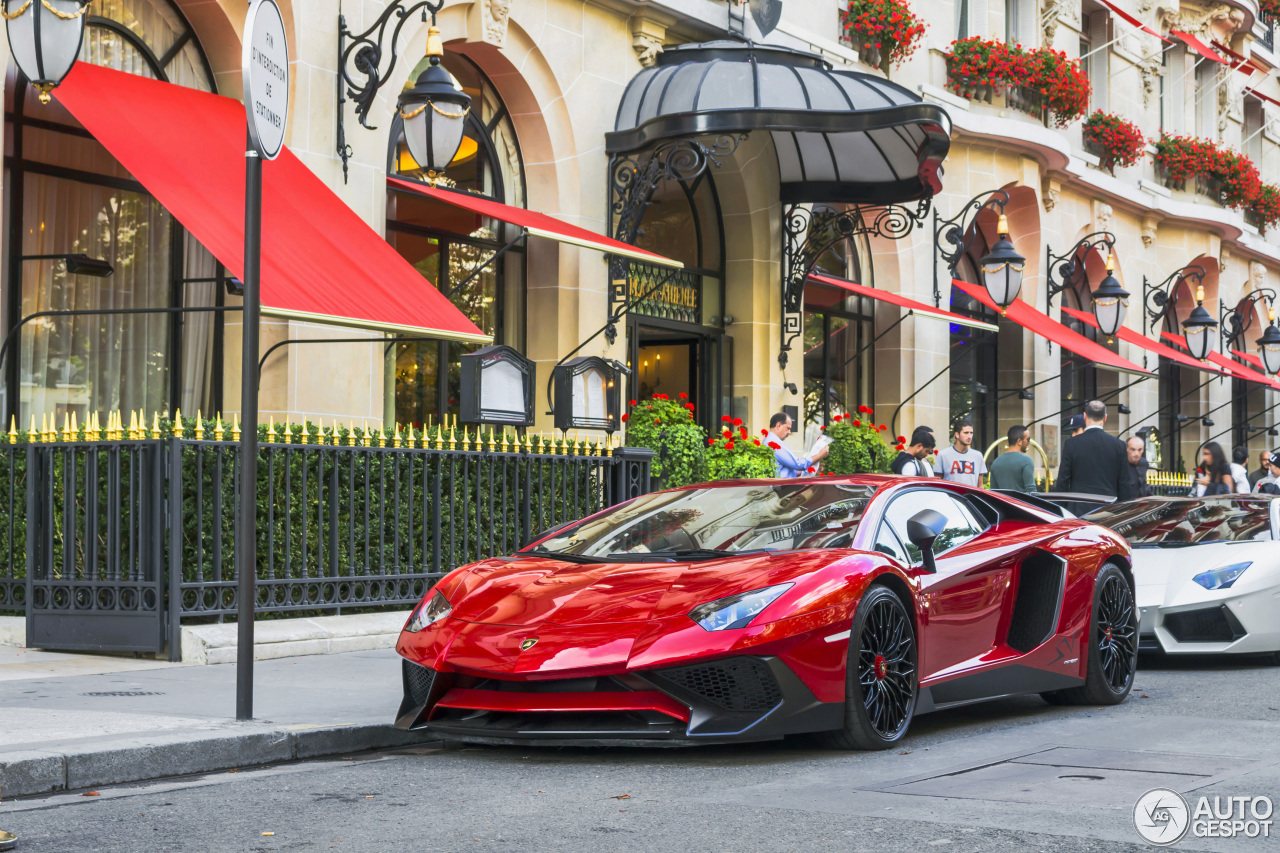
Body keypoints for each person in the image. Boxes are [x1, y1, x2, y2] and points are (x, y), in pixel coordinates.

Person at [1055, 400, 1134, 501]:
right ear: (1105, 418)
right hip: (1108, 509)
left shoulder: (1071, 444)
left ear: (1084, 416)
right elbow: (1124, 484)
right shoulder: (1119, 445)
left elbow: (1063, 482)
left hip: (1078, 508)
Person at [766, 412, 828, 478]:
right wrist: (819, 455)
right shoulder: (774, 443)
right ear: (778, 425)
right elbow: (798, 464)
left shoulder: (770, 439)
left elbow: (784, 470)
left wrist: (811, 468)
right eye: (788, 428)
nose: (789, 432)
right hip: (781, 486)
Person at [934, 419, 986, 488]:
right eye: (966, 433)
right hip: (950, 497)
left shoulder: (978, 456)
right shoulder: (943, 455)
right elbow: (937, 483)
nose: (969, 436)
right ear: (957, 435)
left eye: (971, 433)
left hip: (971, 497)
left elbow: (980, 485)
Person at [989, 425, 1036, 492]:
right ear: (1019, 441)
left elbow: (993, 492)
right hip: (1019, 502)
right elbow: (1031, 491)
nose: (1029, 442)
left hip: (1001, 502)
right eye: (1028, 439)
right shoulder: (1027, 461)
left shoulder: (995, 462)